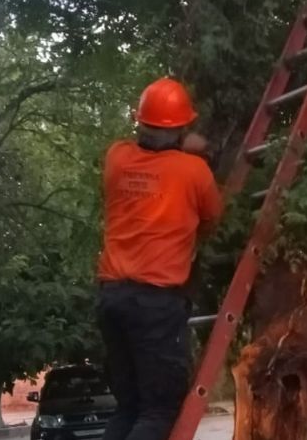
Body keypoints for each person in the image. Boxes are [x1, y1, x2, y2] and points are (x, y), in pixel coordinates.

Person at [96, 77, 223, 440]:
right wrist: (198, 150)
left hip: (112, 298)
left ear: (140, 121)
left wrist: (179, 143)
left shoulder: (117, 158)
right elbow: (213, 217)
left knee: (130, 407)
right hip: (154, 303)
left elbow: (148, 143)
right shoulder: (194, 171)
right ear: (182, 128)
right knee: (159, 412)